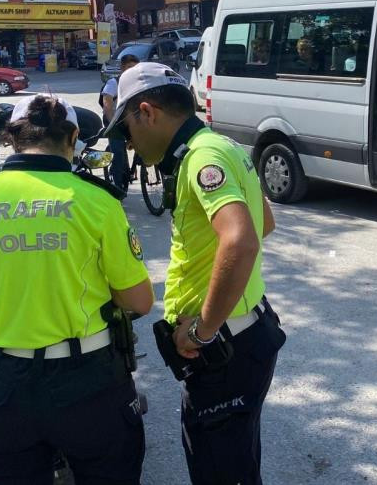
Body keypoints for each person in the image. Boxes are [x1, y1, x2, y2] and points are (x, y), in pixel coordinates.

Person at [0, 94, 154, 484]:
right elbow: (139, 300)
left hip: (5, 387)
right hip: (89, 383)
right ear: (73, 137)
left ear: (12, 138)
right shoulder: (98, 202)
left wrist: (11, 286)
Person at [105, 64, 284, 485]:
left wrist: (203, 330)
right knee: (236, 464)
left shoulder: (202, 157)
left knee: (220, 470)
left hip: (224, 348)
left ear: (146, 112)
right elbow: (265, 221)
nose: (127, 143)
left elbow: (241, 240)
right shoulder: (220, 144)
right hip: (244, 337)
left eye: (126, 130)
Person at [100, 53, 140, 194]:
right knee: (118, 154)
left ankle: (137, 167)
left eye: (135, 67)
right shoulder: (113, 83)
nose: (132, 70)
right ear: (122, 68)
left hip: (131, 120)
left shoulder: (139, 83)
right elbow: (107, 105)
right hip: (114, 120)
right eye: (129, 67)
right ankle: (117, 190)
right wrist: (113, 124)